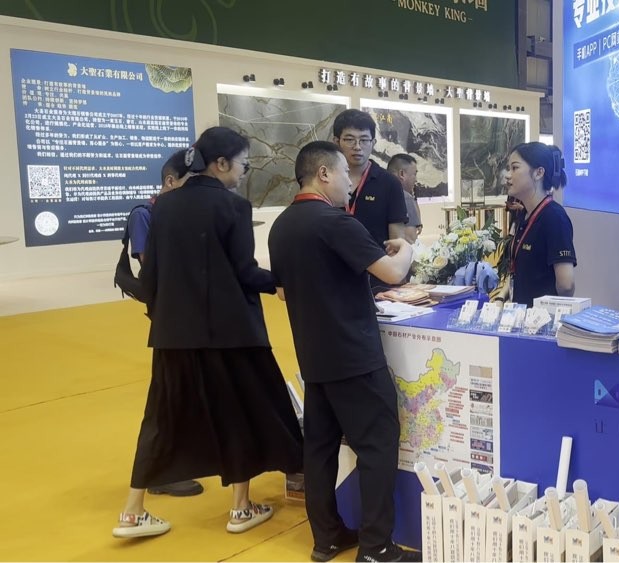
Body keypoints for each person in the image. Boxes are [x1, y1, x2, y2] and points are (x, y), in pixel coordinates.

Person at [113, 126, 304, 539]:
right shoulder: (234, 207)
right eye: (243, 165)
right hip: (231, 333)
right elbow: (245, 271)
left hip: (172, 334)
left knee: (160, 418)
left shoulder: (163, 206)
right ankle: (240, 507)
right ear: (220, 164)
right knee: (239, 411)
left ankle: (132, 512)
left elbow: (152, 277)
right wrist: (280, 282)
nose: (244, 172)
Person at [268, 141, 419, 563]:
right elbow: (392, 273)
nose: (351, 184)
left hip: (313, 356)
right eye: (344, 175)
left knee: (319, 449)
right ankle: (376, 547)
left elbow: (282, 292)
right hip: (354, 356)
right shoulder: (335, 222)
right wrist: (406, 247)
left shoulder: (281, 226)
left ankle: (327, 537)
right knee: (378, 444)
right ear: (323, 174)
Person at [123, 149, 203, 498]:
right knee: (166, 396)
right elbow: (152, 264)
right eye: (190, 182)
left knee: (182, 393)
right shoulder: (145, 214)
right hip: (170, 318)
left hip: (188, 317)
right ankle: (157, 473)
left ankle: (172, 465)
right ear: (170, 181)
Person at [506, 142, 577, 305]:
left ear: (539, 173)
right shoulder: (524, 214)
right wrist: (501, 298)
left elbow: (566, 285)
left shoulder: (554, 217)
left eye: (515, 168)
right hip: (521, 314)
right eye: (508, 168)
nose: (508, 175)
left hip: (541, 317)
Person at [333, 110, 408, 246]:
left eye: (364, 140)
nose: (357, 147)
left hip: (377, 259)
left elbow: (397, 240)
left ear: (373, 143)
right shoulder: (327, 180)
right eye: (349, 140)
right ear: (337, 142)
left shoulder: (389, 183)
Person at [386, 153, 422, 244]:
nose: (416, 180)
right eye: (414, 174)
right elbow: (410, 239)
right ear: (402, 174)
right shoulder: (405, 197)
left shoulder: (378, 192)